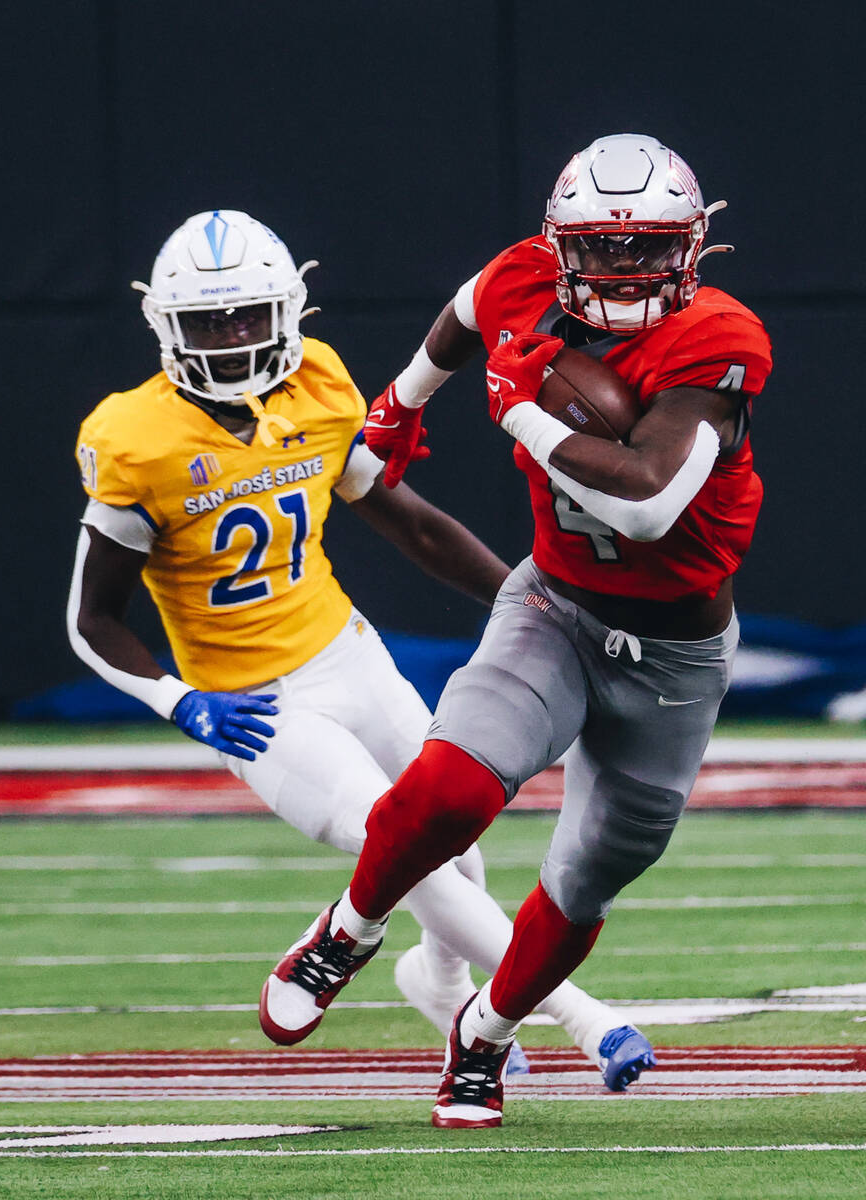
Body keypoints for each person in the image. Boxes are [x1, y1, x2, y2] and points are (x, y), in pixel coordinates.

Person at [67, 208, 656, 1092]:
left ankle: (436, 981)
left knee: (456, 845)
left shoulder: (316, 383)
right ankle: (585, 1017)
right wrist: (180, 701)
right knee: (401, 843)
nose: (233, 339)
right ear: (166, 327)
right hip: (252, 700)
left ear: (289, 310)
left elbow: (408, 522)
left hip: (346, 651)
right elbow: (93, 620)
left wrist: (536, 600)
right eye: (210, 322)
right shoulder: (131, 437)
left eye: (249, 316)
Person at [261, 134, 774, 1128]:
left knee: (582, 883)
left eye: (648, 247)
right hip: (555, 606)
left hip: (674, 656)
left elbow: (647, 507)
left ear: (695, 243)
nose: (624, 269)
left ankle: (484, 1034)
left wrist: (520, 411)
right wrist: (402, 403)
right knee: (450, 786)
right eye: (602, 247)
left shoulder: (721, 337)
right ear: (559, 243)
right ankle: (350, 928)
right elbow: (468, 306)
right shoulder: (524, 280)